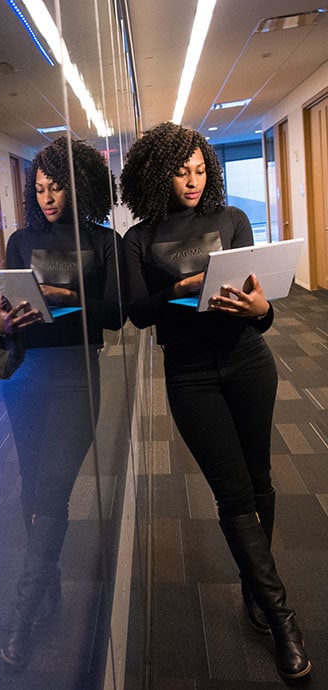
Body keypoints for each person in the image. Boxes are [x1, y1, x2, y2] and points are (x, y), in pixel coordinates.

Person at [119, 121, 311, 680]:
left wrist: (263, 311)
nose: (193, 181)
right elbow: (136, 311)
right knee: (232, 494)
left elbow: (260, 303)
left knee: (260, 480)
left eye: (201, 170)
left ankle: (256, 589)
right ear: (159, 174)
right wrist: (177, 290)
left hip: (248, 360)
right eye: (181, 172)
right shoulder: (140, 238)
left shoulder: (232, 220)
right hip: (190, 373)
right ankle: (282, 620)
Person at [0, 136, 125, 670]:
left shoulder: (102, 240)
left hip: (77, 377)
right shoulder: (20, 240)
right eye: (41, 188)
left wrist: (70, 299)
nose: (48, 197)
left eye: (58, 186)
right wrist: (0, 326)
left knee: (50, 492)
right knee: (32, 492)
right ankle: (48, 590)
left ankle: (24, 615)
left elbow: (117, 314)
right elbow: (2, 326)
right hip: (26, 375)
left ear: (79, 185)